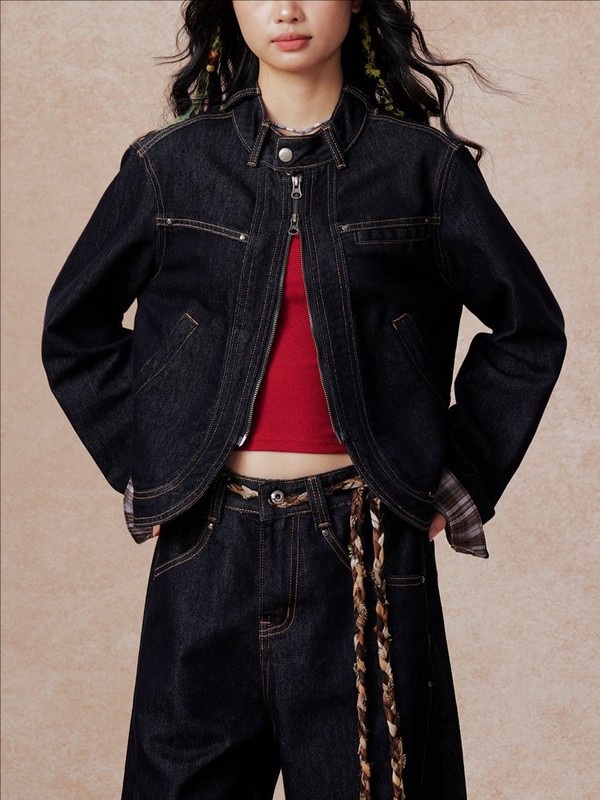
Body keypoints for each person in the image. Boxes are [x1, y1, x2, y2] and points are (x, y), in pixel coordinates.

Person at [41, 1, 567, 798]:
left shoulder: (422, 169)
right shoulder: (169, 167)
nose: (286, 8)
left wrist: (462, 471)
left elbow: (530, 329)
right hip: (206, 548)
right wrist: (160, 463)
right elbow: (74, 330)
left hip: (365, 549)